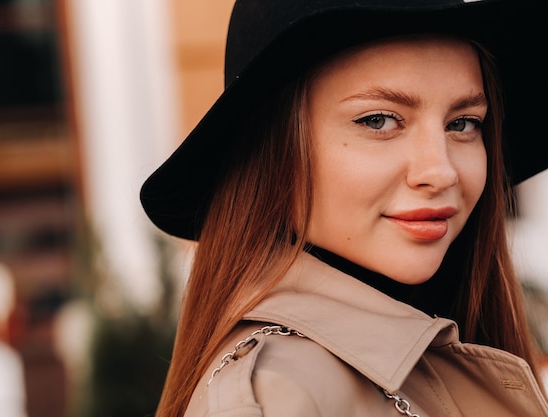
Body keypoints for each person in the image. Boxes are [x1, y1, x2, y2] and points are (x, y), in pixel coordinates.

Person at [140, 0, 548, 416]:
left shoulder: (444, 347)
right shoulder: (274, 399)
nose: (440, 172)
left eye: (462, 123)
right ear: (270, 151)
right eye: (378, 120)